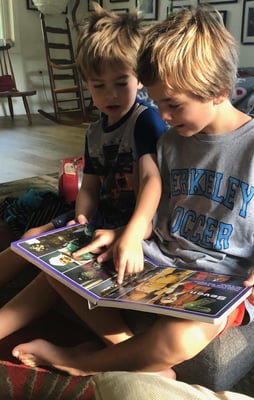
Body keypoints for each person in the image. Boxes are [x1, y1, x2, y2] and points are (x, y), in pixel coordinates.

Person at [7, 4, 254, 377]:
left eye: (173, 105)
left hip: (223, 278)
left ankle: (81, 362)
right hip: (161, 261)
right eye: (158, 103)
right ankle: (134, 356)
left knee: (181, 339)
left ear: (219, 91)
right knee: (58, 268)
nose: (162, 116)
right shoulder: (172, 143)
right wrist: (120, 233)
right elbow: (156, 214)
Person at [0, 4, 167, 345]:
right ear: (87, 84)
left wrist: (133, 234)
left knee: (53, 271)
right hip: (96, 217)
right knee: (31, 235)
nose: (111, 95)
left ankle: (124, 349)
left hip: (132, 224)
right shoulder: (94, 132)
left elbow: (153, 179)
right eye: (99, 86)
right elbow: (89, 185)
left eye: (122, 83)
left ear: (139, 77)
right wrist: (81, 213)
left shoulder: (144, 120)